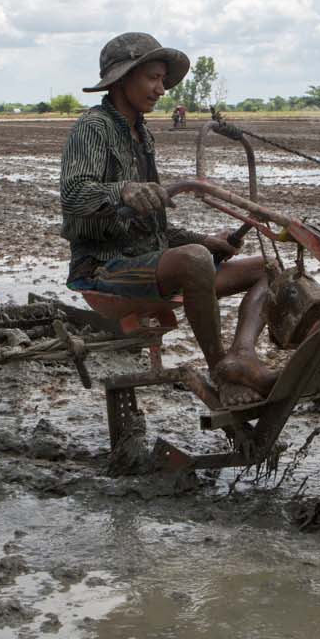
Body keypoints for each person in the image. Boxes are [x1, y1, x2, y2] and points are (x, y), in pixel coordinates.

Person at [60, 32, 276, 400]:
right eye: (153, 78)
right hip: (104, 269)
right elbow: (74, 194)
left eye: (163, 79)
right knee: (193, 261)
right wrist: (123, 190)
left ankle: (241, 358)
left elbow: (154, 225)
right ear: (122, 78)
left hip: (147, 262)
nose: (161, 89)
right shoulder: (93, 127)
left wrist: (204, 241)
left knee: (268, 268)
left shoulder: (142, 135)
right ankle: (219, 369)